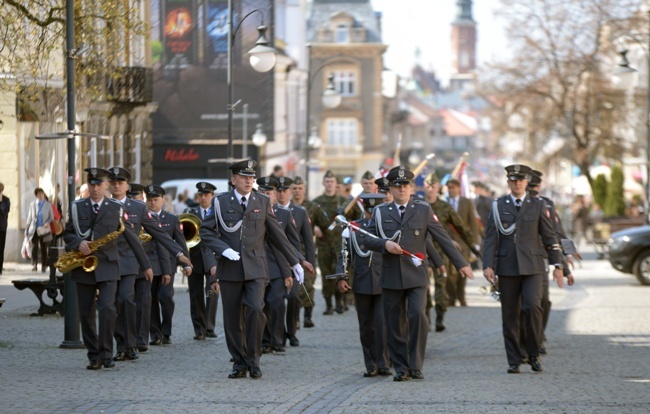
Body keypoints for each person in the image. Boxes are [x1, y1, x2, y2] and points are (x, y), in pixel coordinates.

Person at [363, 166, 473, 381]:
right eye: (397, 186)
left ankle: (415, 363)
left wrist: (461, 264)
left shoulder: (422, 209)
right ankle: (401, 368)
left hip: (416, 274)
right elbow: (367, 238)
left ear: (411, 188)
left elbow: (440, 237)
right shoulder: (380, 212)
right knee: (395, 322)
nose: (402, 189)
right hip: (391, 275)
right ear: (391, 190)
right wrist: (384, 244)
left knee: (417, 315)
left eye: (405, 185)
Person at [200, 159, 304, 380]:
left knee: (256, 309)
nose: (249, 181)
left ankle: (254, 359)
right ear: (233, 179)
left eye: (251, 177)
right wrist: (223, 249)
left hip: (256, 267)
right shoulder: (220, 202)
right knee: (232, 317)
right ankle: (239, 362)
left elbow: (277, 235)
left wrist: (294, 261)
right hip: (230, 268)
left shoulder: (262, 201)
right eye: (244, 177)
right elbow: (206, 232)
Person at [63, 168, 152, 370]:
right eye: (92, 184)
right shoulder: (78, 207)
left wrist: (145, 265)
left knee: (108, 309)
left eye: (99, 184)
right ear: (88, 185)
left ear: (106, 186)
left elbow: (130, 237)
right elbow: (67, 233)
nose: (95, 188)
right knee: (86, 313)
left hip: (109, 265)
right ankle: (93, 355)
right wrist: (78, 243)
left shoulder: (115, 208)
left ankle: (106, 353)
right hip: (83, 267)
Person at [482, 164, 565, 374]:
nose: (517, 183)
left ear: (527, 183)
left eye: (521, 180)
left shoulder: (538, 205)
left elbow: (549, 237)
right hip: (507, 266)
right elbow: (491, 237)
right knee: (510, 314)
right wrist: (488, 265)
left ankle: (534, 353)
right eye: (513, 180)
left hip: (533, 266)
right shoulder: (498, 206)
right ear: (508, 182)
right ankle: (514, 358)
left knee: (532, 308)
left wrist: (558, 265)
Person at [108, 167, 192, 361]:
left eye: (120, 183)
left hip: (131, 263)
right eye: (113, 183)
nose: (117, 186)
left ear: (127, 186)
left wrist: (179, 253)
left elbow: (159, 233)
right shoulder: (104, 205)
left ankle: (130, 343)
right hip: (109, 262)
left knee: (126, 300)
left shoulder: (138, 208)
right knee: (113, 306)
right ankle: (122, 344)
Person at [336, 193, 392, 378]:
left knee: (382, 324)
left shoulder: (387, 227)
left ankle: (384, 362)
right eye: (368, 211)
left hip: (384, 281)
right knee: (366, 326)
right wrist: (342, 277)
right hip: (362, 282)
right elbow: (344, 253)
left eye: (373, 212)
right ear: (364, 209)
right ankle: (371, 364)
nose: (370, 215)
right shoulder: (354, 228)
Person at [256, 176, 311, 353]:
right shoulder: (253, 212)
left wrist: (298, 263)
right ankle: (265, 340)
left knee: (276, 302)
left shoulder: (285, 214)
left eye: (269, 192)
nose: (267, 195)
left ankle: (277, 338)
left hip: (280, 267)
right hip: (258, 265)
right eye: (263, 192)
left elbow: (292, 243)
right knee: (261, 304)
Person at [526, 170, 576, 354]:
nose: (531, 190)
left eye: (533, 187)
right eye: (529, 187)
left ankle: (538, 336)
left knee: (543, 301)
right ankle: (527, 340)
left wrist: (569, 252)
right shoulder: (510, 202)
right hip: (521, 259)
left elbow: (558, 232)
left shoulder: (546, 204)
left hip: (542, 257)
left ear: (539, 187)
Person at [423, 173, 475, 331]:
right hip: (422, 252)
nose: (431, 189)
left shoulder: (445, 207)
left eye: (434, 186)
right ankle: (425, 318)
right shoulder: (416, 206)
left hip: (441, 253)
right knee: (423, 287)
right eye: (428, 186)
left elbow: (462, 228)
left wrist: (473, 247)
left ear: (439, 188)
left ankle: (439, 317)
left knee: (440, 286)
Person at [145, 185, 190, 346]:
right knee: (151, 300)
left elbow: (180, 241)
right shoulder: (144, 218)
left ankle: (166, 331)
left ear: (163, 200)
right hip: (149, 264)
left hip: (167, 266)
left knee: (166, 298)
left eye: (155, 199)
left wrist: (186, 263)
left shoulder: (171, 218)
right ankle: (155, 334)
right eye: (149, 200)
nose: (152, 203)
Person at [275, 176, 315, 345]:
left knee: (293, 297)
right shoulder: (269, 210)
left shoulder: (300, 211)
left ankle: (291, 331)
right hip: (276, 262)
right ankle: (279, 333)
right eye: (279, 191)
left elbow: (308, 240)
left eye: (285, 190)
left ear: (290, 192)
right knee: (276, 300)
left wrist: (309, 263)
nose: (282, 194)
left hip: (295, 262)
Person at [291, 176, 329, 327]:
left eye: (300, 188)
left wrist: (320, 231)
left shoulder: (312, 207)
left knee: (307, 284)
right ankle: (295, 317)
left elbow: (326, 225)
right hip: (290, 251)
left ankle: (307, 315)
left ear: (304, 190)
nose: (297, 191)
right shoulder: (286, 207)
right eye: (294, 188)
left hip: (307, 251)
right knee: (294, 287)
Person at [183, 181, 219, 340]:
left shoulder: (219, 213)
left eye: (206, 195)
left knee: (212, 292)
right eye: (201, 195)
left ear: (212, 196)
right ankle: (199, 329)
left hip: (214, 258)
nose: (203, 198)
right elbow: (182, 238)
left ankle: (209, 326)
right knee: (195, 295)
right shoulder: (189, 212)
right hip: (195, 259)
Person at [313, 171, 349, 315]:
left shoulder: (343, 202)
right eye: (327, 181)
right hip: (324, 243)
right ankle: (328, 304)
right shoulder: (316, 202)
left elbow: (352, 221)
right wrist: (315, 227)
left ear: (336, 184)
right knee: (326, 274)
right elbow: (310, 220)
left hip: (339, 243)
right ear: (323, 183)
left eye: (331, 181)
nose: (329, 184)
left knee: (340, 272)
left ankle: (339, 302)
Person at [445, 178, 480, 306]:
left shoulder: (467, 202)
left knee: (463, 271)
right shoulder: (443, 202)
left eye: (453, 187)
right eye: (449, 188)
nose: (451, 190)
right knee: (449, 273)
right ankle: (451, 297)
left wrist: (474, 243)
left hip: (464, 243)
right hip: (448, 242)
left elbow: (473, 223)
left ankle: (461, 296)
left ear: (459, 188)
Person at [25, 188, 54, 273]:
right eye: (38, 194)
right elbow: (29, 218)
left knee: (44, 248)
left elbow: (51, 217)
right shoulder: (32, 204)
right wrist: (26, 230)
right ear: (36, 195)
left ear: (44, 194)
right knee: (34, 248)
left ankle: (44, 266)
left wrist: (47, 223)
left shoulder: (48, 205)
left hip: (44, 230)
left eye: (41, 194)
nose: (40, 196)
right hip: (34, 230)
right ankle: (34, 265)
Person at [0, 182, 10, 274]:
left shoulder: (6, 200)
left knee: (1, 248)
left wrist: (1, 201)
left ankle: (0, 268)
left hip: (2, 228)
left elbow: (5, 211)